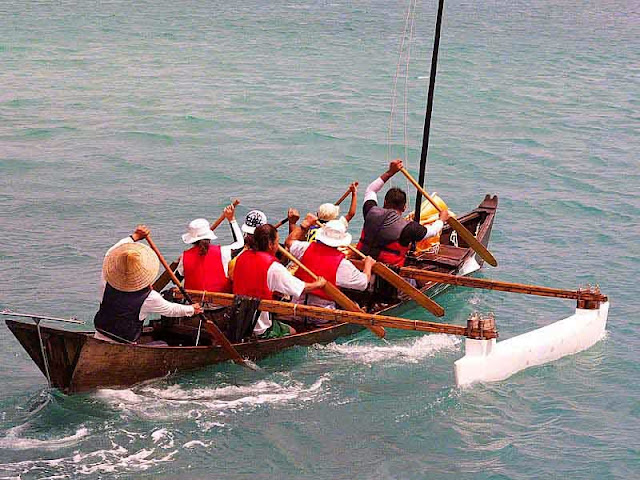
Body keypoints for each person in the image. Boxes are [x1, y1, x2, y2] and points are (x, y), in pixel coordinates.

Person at [94, 225, 203, 344]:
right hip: (124, 343)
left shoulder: (106, 280)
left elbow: (110, 252)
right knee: (164, 344)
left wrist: (134, 237)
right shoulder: (149, 297)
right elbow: (171, 310)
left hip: (99, 335)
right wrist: (192, 309)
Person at [232, 224, 326, 338]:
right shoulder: (273, 266)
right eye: (277, 242)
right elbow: (301, 288)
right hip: (259, 326)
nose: (278, 246)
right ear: (270, 244)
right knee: (293, 331)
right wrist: (318, 284)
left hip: (238, 321)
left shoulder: (241, 257)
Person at [356, 159, 449, 266]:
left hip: (361, 259)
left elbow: (371, 190)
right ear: (404, 207)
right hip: (387, 271)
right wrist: (441, 219)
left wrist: (390, 172)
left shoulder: (370, 211)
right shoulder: (409, 228)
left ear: (385, 202)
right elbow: (432, 232)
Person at [286, 213, 375, 314]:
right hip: (322, 316)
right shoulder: (343, 264)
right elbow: (363, 284)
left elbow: (289, 242)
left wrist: (304, 225)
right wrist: (368, 264)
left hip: (296, 309)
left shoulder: (305, 248)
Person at [178, 204, 243, 292]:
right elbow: (240, 244)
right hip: (220, 303)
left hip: (194, 303)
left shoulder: (184, 256)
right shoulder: (223, 252)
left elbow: (176, 279)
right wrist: (232, 219)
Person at [227, 209, 268, 281]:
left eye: (252, 234)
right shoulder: (237, 254)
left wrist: (232, 220)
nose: (250, 237)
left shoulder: (273, 250)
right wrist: (232, 220)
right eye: (249, 234)